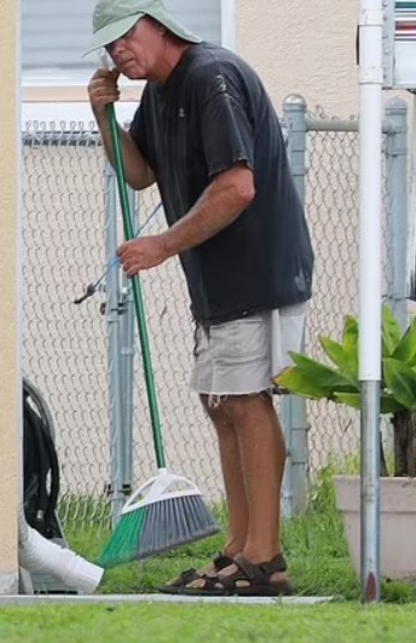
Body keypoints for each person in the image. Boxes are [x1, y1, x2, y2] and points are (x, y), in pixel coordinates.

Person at [84, 0, 315, 596]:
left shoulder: (211, 78)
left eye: (125, 38)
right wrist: (102, 117)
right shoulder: (159, 94)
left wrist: (161, 244)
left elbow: (238, 188)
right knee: (222, 405)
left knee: (245, 402)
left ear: (159, 25)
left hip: (256, 269)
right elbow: (139, 174)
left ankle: (265, 559)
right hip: (214, 278)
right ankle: (240, 548)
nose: (119, 53)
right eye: (110, 47)